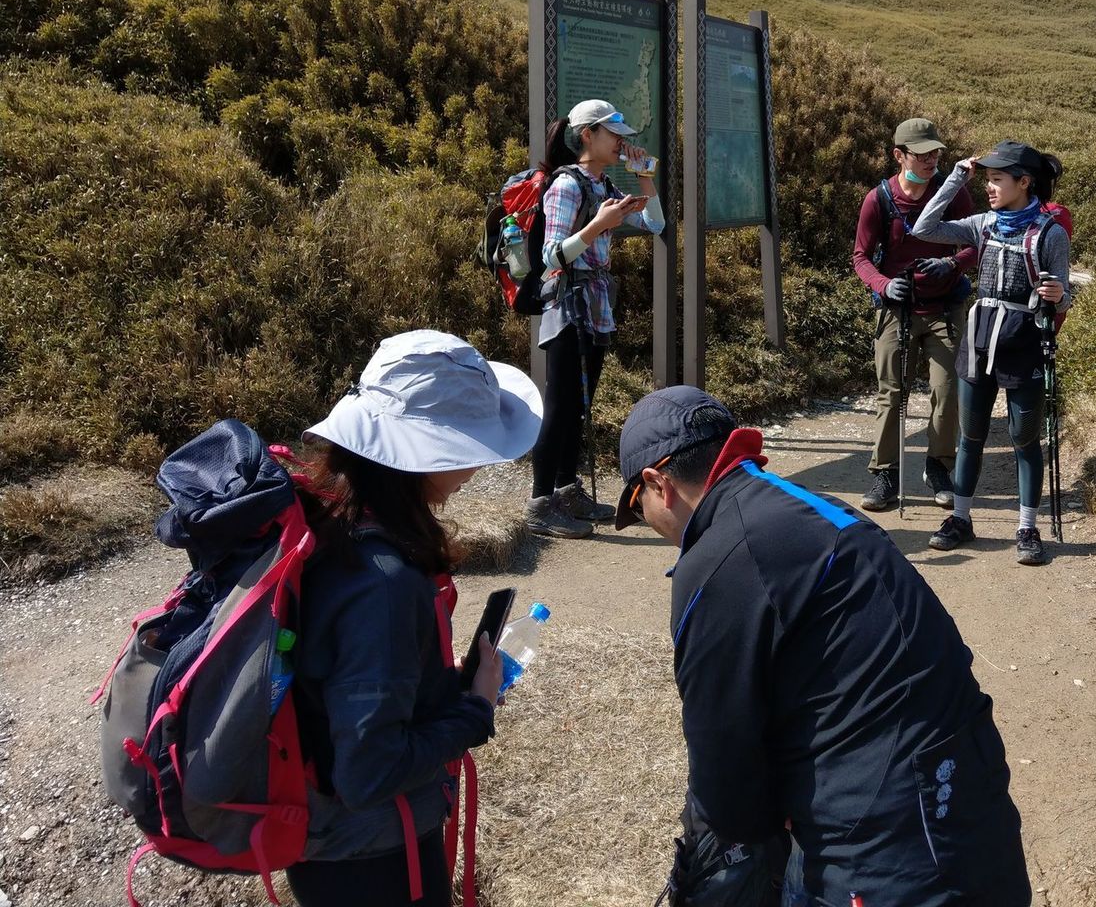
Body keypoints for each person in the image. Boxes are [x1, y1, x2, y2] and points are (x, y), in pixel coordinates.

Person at [613, 386, 1031, 907]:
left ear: (658, 482)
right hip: (973, 796)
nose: (650, 524)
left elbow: (726, 787)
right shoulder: (815, 508)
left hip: (884, 853)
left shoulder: (718, 561)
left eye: (638, 507)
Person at [287, 329, 543, 906]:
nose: (476, 465)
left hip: (333, 848)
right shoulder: (384, 583)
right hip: (373, 859)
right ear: (421, 452)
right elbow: (369, 773)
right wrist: (475, 710)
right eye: (466, 445)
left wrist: (443, 689)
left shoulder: (336, 526)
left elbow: (351, 691)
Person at [910, 140, 1070, 566]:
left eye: (997, 179)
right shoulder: (983, 223)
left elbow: (1064, 297)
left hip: (1024, 341)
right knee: (971, 436)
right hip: (979, 338)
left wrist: (1059, 296)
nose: (990, 188)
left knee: (1024, 438)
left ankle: (1027, 528)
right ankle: (960, 519)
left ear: (1024, 182)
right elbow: (924, 228)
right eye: (988, 180)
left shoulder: (1050, 233)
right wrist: (955, 179)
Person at [525, 97, 665, 539]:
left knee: (579, 405)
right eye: (613, 133)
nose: (621, 141)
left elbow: (656, 224)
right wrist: (598, 226)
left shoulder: (603, 187)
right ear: (588, 135)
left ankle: (567, 491)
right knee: (560, 405)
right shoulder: (567, 185)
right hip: (568, 306)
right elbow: (551, 256)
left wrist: (644, 177)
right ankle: (540, 503)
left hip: (597, 306)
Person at [850, 117, 978, 511]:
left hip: (946, 308)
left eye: (935, 152)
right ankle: (885, 474)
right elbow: (860, 257)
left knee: (947, 392)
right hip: (896, 310)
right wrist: (884, 285)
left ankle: (938, 468)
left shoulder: (951, 194)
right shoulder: (878, 199)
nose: (931, 159)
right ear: (899, 155)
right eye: (921, 154)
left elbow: (975, 243)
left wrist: (952, 264)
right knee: (892, 394)